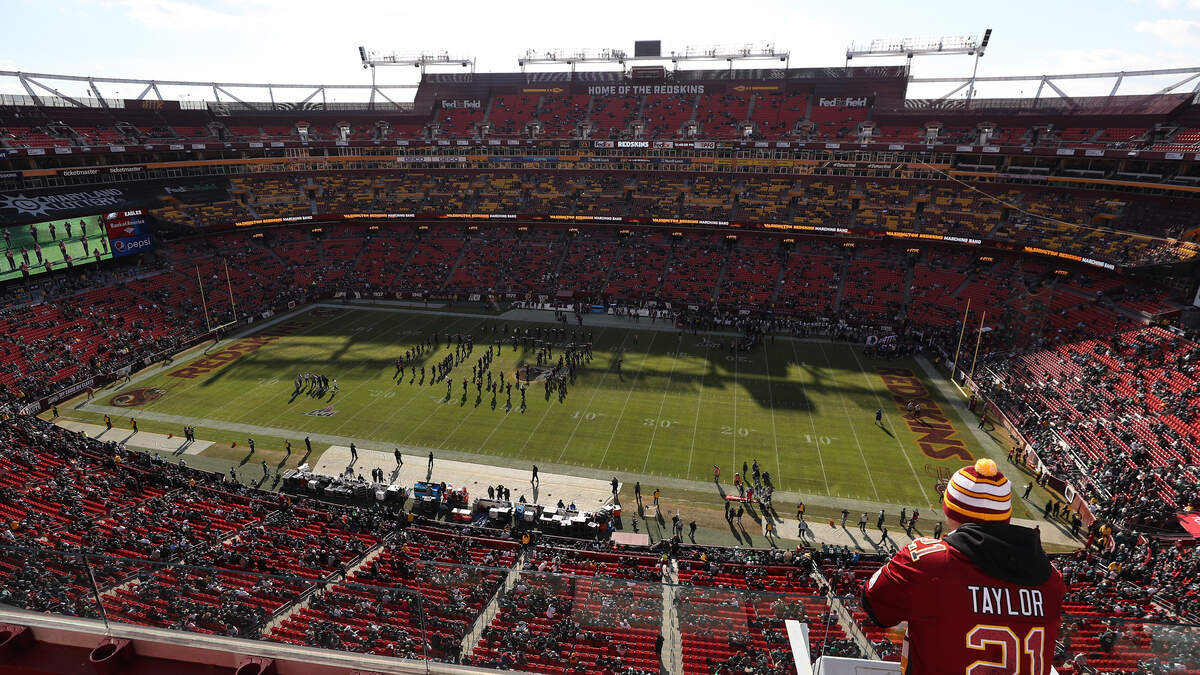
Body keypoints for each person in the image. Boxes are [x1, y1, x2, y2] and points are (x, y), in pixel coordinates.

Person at [862, 458, 1065, 674]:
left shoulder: (928, 560)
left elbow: (875, 606)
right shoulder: (1052, 579)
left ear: (949, 509)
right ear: (1006, 515)